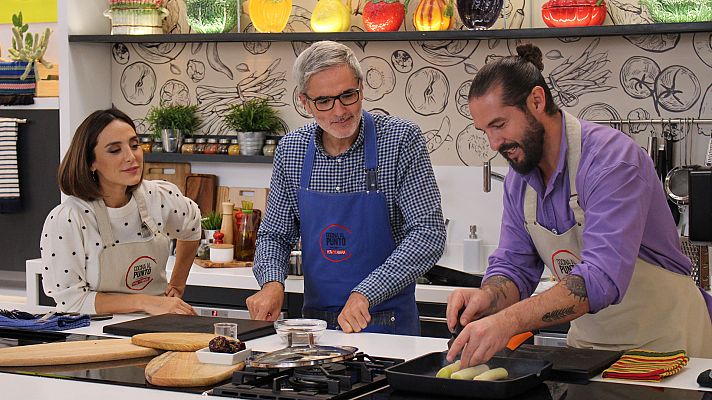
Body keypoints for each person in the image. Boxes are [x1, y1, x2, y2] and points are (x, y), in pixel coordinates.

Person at [447, 43, 712, 366]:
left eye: (499, 125)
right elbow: (514, 266)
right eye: (484, 130)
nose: (493, 143)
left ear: (537, 101)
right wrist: (487, 298)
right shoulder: (520, 179)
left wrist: (508, 322)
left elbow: (601, 278)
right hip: (589, 351)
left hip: (666, 348)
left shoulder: (612, 162)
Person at [246, 41, 446, 335]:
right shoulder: (291, 151)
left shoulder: (401, 140)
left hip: (389, 327)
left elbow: (428, 234)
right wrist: (272, 282)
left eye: (347, 96)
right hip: (316, 330)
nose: (339, 110)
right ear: (304, 102)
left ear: (361, 89)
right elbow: (275, 234)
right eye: (324, 101)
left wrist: (366, 292)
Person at [40, 108, 201, 315]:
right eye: (115, 150)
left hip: (159, 327)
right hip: (97, 336)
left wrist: (177, 285)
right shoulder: (68, 219)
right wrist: (145, 303)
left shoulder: (158, 196)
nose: (131, 156)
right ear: (91, 163)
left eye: (135, 145)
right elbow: (72, 301)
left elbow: (191, 225)